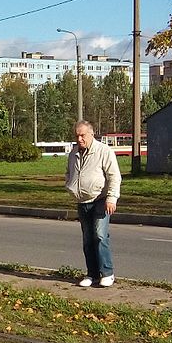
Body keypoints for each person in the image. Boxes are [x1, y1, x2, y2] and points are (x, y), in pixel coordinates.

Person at [65, 120, 121, 287]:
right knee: (87, 239)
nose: (79, 139)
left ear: (91, 134)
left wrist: (112, 198)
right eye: (77, 136)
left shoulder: (104, 151)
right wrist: (69, 185)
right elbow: (69, 172)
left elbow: (114, 176)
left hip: (101, 200)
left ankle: (107, 273)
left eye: (82, 135)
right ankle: (92, 274)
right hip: (82, 201)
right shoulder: (73, 153)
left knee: (100, 235)